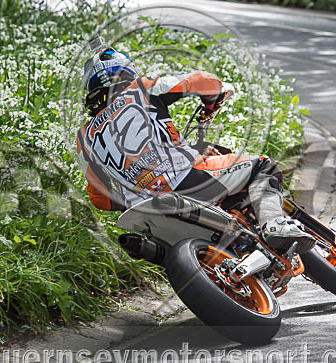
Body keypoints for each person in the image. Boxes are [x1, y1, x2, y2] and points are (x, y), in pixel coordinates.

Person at [76, 46, 315, 253]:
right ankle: (273, 223)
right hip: (187, 181)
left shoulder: (83, 137)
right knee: (263, 165)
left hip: (141, 210)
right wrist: (212, 101)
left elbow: (101, 199)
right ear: (128, 71)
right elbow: (203, 82)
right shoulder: (142, 89)